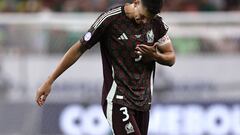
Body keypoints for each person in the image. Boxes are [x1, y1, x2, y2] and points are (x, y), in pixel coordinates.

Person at [36, 0, 175, 134]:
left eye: (148, 19)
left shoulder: (156, 23)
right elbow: (78, 48)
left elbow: (171, 57)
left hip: (144, 102)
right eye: (143, 16)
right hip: (117, 99)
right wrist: (50, 80)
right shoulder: (110, 19)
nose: (145, 22)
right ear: (136, 2)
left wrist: (156, 56)